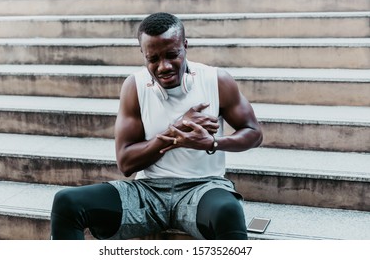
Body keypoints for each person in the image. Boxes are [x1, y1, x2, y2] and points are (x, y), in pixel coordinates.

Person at [50, 12, 263, 240]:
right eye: (153, 59)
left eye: (172, 55)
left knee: (229, 210)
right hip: (149, 191)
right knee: (67, 202)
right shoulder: (135, 86)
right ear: (143, 54)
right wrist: (173, 133)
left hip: (204, 188)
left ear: (185, 46)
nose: (164, 66)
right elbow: (126, 163)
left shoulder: (216, 80)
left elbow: (254, 133)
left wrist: (212, 142)